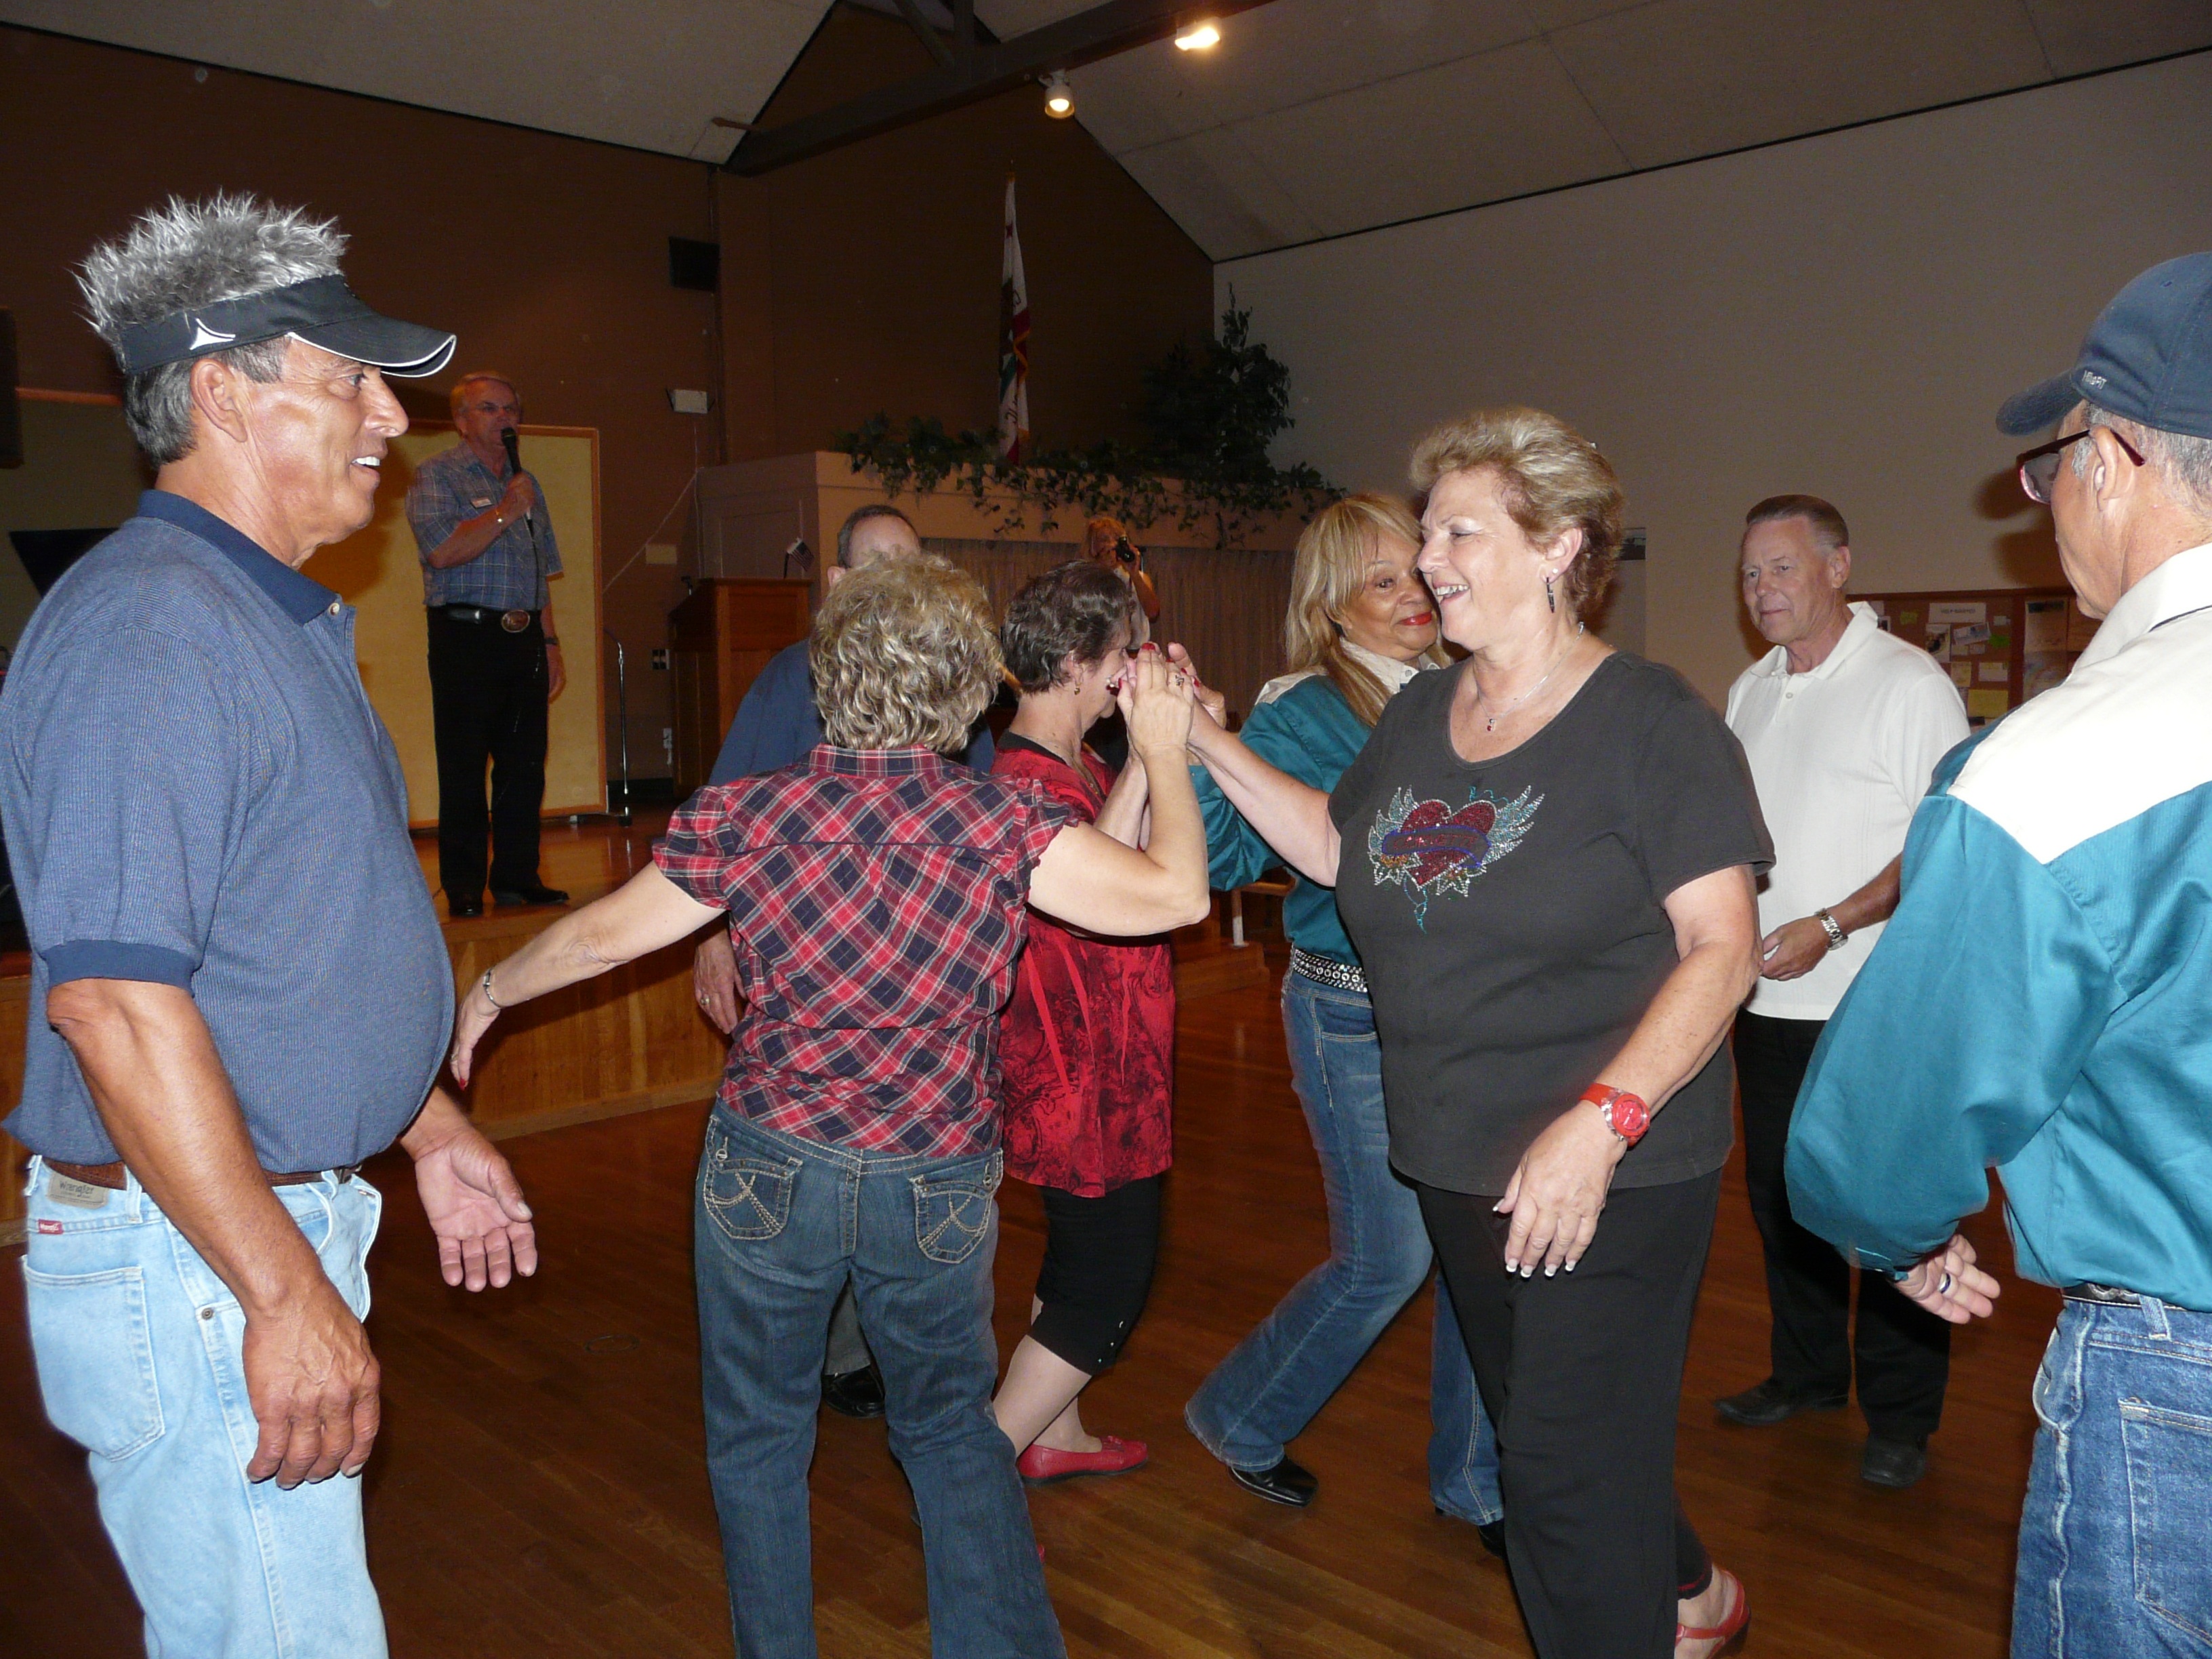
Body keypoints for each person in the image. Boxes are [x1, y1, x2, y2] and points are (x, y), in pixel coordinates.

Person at [447, 556, 1211, 1659]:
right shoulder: (995, 825)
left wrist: (488, 989)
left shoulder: (748, 813)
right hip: (933, 1175)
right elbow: (1175, 894)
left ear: (833, 678)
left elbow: (602, 933)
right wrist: (1166, 754)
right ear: (966, 691)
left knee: (756, 1443)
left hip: (769, 1165)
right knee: (951, 1433)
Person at [4, 194, 539, 1659]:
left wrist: (425, 1124)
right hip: (196, 1258)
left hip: (229, 1237)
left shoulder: (258, 614)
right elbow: (115, 1007)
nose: (390, 414)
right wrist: (282, 1287)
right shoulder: (158, 629)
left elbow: (279, 940)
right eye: (349, 378)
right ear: (227, 390)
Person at [1181, 407, 1767, 1659]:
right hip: (1453, 1153)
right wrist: (1201, 739)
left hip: (1610, 1165)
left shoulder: (1649, 721)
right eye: (1424, 530)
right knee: (1547, 1425)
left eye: (1458, 530)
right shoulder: (1416, 715)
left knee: (1552, 1473)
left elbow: (1722, 947)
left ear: (1558, 546)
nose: (1430, 556)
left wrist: (1602, 1119)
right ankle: (1689, 1589)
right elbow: (1340, 853)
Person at [1786, 253, 2212, 1658]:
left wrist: (1893, 1233)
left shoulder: (2070, 765)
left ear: (2124, 453)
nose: (2053, 503)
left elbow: (1882, 1127)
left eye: (2058, 462)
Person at [1181, 493, 1504, 1544]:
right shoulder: (1303, 714)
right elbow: (1227, 863)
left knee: (1477, 1252)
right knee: (1389, 1260)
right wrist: (1193, 750)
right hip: (1349, 1013)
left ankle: (1475, 1481)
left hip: (1463, 1020)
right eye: (1382, 583)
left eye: (1416, 571)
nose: (1415, 593)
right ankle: (1238, 1413)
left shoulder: (1472, 690)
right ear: (1331, 610)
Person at [691, 501, 996, 1421]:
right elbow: (723, 819)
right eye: (876, 563)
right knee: (818, 1167)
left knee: (891, 1173)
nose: (893, 578)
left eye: (909, 560)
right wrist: (712, 939)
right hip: (813, 987)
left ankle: (863, 1349)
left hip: (920, 991)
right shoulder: (792, 681)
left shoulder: (949, 692)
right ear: (836, 584)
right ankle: (820, 1347)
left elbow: (983, 825)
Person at [1715, 494, 1968, 1490]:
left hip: (1873, 1004)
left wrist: (1832, 924)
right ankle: (1808, 1376)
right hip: (1765, 1004)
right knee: (1783, 1202)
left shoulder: (1909, 684)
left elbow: (1941, 842)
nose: (1763, 590)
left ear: (1837, 568)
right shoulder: (1748, 690)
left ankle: (1902, 1417)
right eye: (1748, 574)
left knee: (1888, 1209)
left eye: (1781, 568)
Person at [988, 561, 1176, 1484]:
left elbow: (1116, 853)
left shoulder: (1074, 765)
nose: (1129, 673)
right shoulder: (1025, 784)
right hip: (1080, 1073)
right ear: (1076, 661)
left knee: (1077, 1257)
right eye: (1122, 654)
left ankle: (1054, 1434)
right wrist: (1162, 755)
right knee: (1107, 1286)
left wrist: (1145, 756)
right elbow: (1145, 888)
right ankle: (974, 1477)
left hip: (1105, 1063)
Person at [406, 371, 569, 918]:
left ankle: (518, 878)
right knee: (464, 767)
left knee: (524, 767)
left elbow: (539, 568)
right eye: (490, 409)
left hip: (524, 640)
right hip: (465, 638)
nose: (506, 419)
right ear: (461, 420)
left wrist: (550, 641)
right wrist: (505, 510)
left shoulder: (528, 482)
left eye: (512, 409)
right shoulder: (437, 476)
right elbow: (443, 553)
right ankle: (464, 887)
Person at [1085, 514, 1162, 624]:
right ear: (1093, 547)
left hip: (1137, 641)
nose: (1112, 544)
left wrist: (1134, 574)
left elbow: (1153, 614)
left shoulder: (1140, 578)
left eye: (1117, 539)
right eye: (1104, 539)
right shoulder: (1086, 579)